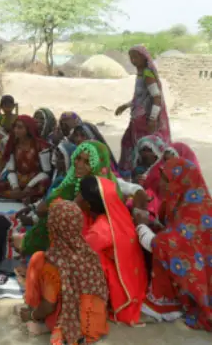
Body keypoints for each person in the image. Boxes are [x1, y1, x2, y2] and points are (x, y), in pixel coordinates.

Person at [135, 158, 211, 330]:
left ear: (180, 183)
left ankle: (166, 307)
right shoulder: (186, 202)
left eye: (166, 180)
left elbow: (167, 244)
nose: (161, 183)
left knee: (162, 246)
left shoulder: (197, 212)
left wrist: (141, 227)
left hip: (203, 275)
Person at [18, 200, 109, 344]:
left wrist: (32, 315)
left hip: (69, 323)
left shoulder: (55, 261)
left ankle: (43, 321)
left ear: (53, 226)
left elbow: (48, 305)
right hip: (95, 319)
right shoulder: (89, 253)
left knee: (38, 259)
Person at [15, 141, 119, 256]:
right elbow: (41, 209)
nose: (79, 164)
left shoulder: (95, 188)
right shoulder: (76, 182)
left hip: (89, 242)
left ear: (98, 165)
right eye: (78, 158)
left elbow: (48, 211)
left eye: (87, 162)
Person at [75, 175, 147, 325]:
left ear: (88, 204)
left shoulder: (102, 230)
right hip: (136, 281)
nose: (77, 196)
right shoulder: (117, 214)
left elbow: (77, 252)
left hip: (120, 290)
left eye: (80, 194)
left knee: (82, 261)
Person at [116, 45, 171, 175]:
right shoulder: (140, 74)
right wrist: (126, 106)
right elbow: (140, 98)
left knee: (143, 149)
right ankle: (131, 173)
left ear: (144, 58)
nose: (133, 60)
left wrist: (152, 119)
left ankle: (142, 175)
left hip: (144, 121)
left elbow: (156, 97)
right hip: (137, 119)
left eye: (135, 57)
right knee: (129, 143)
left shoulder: (147, 74)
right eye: (131, 57)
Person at [0, 115, 52, 203]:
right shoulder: (13, 144)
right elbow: (11, 170)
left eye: (20, 127)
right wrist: (15, 187)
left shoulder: (41, 146)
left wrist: (29, 186)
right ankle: (21, 196)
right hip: (18, 181)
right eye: (15, 127)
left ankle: (23, 197)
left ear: (28, 129)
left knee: (44, 185)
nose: (16, 130)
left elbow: (46, 172)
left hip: (35, 182)